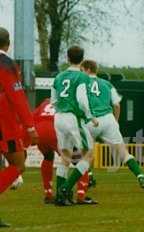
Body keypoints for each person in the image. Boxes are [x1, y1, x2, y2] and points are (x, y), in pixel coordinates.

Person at [80, 60, 144, 192]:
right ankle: (141, 177)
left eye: (82, 70)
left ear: (87, 69)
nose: (81, 72)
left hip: (91, 120)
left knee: (85, 153)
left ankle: (89, 177)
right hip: (108, 119)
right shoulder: (107, 84)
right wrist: (116, 121)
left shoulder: (81, 83)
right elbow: (117, 105)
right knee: (124, 153)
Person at [0, 27, 38, 227]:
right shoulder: (6, 64)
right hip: (3, 124)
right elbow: (17, 96)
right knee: (18, 165)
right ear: (8, 43)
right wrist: (30, 126)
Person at [51, 46, 99, 206]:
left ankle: (59, 196)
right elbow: (82, 99)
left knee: (65, 156)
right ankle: (66, 188)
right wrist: (91, 117)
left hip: (58, 117)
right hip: (73, 118)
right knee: (88, 155)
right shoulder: (82, 77)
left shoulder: (59, 76)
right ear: (82, 59)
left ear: (67, 58)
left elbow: (53, 100)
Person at [32, 99, 93, 204]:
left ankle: (48, 193)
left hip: (39, 130)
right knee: (79, 159)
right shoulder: (68, 102)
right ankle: (80, 194)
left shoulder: (46, 102)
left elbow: (32, 115)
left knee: (48, 157)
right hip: (54, 129)